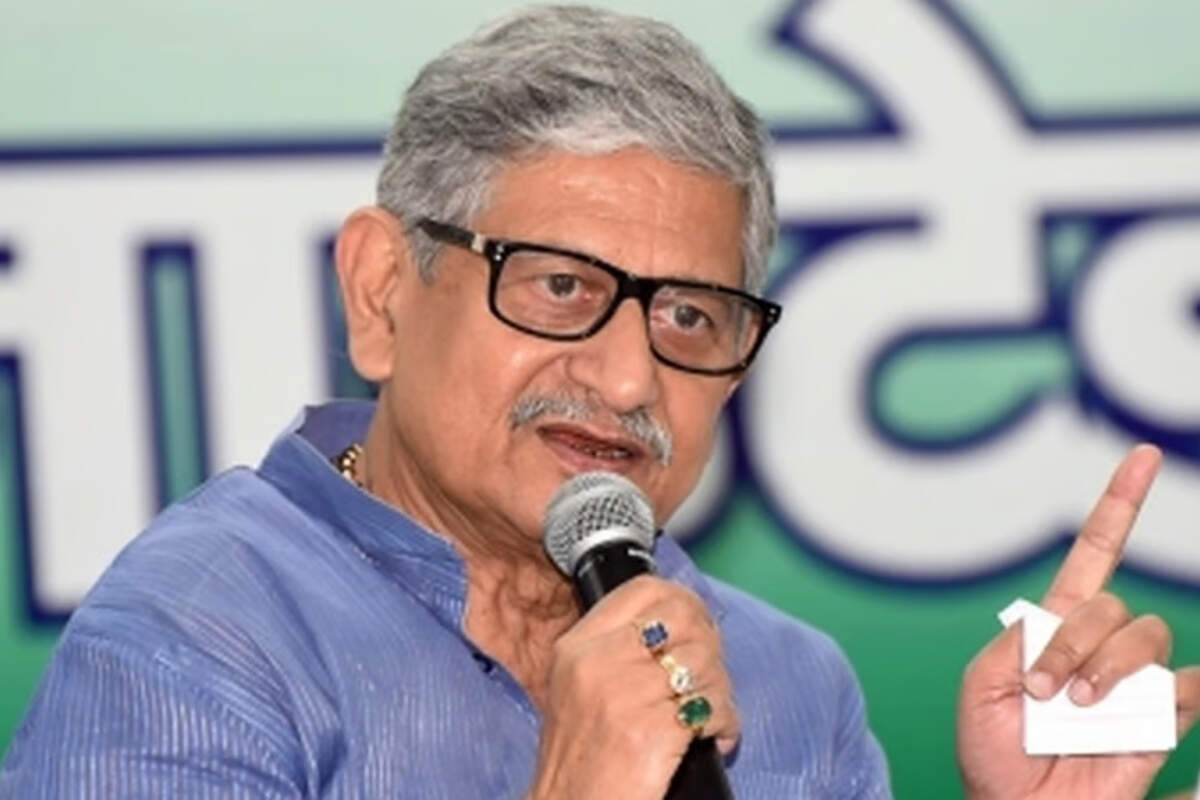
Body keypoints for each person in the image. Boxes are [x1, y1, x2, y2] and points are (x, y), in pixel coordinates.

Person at [1, 6, 1197, 799]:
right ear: (382, 291)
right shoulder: (193, 641)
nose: (630, 380)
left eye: (690, 316)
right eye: (563, 287)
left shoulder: (788, 681)